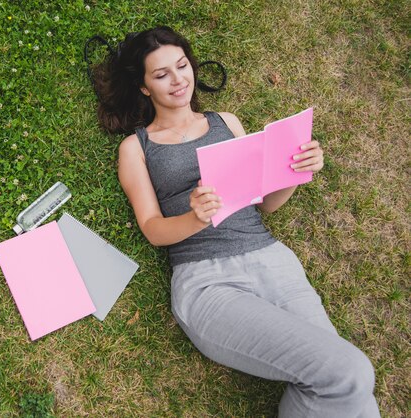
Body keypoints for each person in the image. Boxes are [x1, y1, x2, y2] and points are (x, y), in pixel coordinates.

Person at [92, 26, 379, 417]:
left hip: (274, 263)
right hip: (207, 282)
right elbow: (152, 228)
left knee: (347, 384)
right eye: (161, 75)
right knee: (351, 372)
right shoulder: (136, 147)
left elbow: (266, 204)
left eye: (182, 66)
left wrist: (296, 171)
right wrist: (195, 218)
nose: (179, 80)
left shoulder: (226, 121)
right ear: (144, 87)